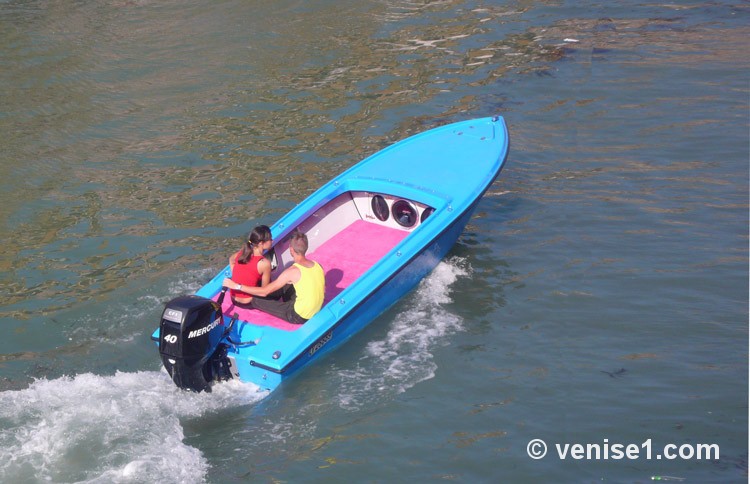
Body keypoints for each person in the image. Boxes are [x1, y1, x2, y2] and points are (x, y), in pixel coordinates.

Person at [223, 229, 325, 325]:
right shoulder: (317, 265)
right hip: (314, 309)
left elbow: (264, 292)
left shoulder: (291, 272)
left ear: (291, 249)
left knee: (255, 300)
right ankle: (287, 300)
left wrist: (237, 286)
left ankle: (286, 305)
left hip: (297, 316)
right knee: (287, 284)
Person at [227, 225, 273, 305]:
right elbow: (264, 292)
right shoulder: (264, 263)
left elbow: (231, 260)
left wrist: (237, 276)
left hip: (233, 298)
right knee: (283, 289)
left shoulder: (242, 253)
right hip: (248, 302)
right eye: (270, 239)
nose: (272, 241)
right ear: (261, 243)